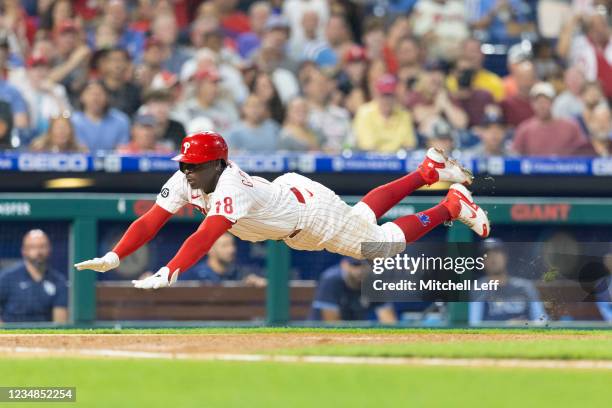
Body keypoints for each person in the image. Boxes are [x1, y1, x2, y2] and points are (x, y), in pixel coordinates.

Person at [75, 131, 490, 290]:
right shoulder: (188, 179)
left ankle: (450, 205)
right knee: (362, 218)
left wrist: (169, 270)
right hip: (291, 202)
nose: (187, 171)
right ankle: (427, 170)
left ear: (218, 163)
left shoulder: (229, 186)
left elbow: (205, 235)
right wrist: (115, 256)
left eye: (194, 165)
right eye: (184, 164)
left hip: (307, 217)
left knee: (377, 245)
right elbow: (151, 219)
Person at [469, 238, 548, 325]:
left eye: (497, 253)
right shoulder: (478, 288)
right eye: (487, 255)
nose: (493, 258)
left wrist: (525, 325)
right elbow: (474, 324)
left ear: (505, 257)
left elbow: (542, 319)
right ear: (482, 262)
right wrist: (506, 326)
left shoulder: (524, 287)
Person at [0, 230, 68, 323]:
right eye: (33, 247)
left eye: (42, 246)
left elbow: (60, 321)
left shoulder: (59, 281)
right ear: (24, 251)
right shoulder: (7, 278)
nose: (38, 251)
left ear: (49, 249)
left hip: (45, 334)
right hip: (12, 333)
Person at [512, 82, 589, 156]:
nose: (542, 106)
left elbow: (584, 151)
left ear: (553, 102)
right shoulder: (525, 129)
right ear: (532, 104)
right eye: (538, 102)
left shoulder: (570, 126)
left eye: (545, 101)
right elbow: (515, 156)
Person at [310, 257, 396, 322]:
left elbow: (389, 321)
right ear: (344, 265)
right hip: (320, 335)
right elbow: (332, 322)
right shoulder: (331, 279)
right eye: (355, 265)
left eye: (365, 265)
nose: (360, 270)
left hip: (356, 334)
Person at [354, 74, 417, 153]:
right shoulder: (364, 113)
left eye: (390, 95)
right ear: (376, 94)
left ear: (395, 96)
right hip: (371, 161)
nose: (387, 100)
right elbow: (367, 146)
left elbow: (409, 145)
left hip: (397, 161)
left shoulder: (404, 115)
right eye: (383, 95)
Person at [180, 233, 266, 287]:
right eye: (224, 246)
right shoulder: (195, 275)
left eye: (232, 245)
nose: (231, 250)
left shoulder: (241, 273)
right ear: (209, 249)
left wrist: (259, 283)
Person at [70, 80, 130, 152]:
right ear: (81, 97)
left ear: (107, 97)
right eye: (91, 94)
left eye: (99, 94)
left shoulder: (121, 121)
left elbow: (123, 150)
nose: (95, 98)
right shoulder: (72, 121)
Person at [97, 47, 141, 117]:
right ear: (104, 63)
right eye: (113, 60)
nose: (117, 65)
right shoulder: (96, 88)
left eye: (122, 60)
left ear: (127, 64)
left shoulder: (135, 91)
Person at [500, 61, 537, 128]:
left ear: (534, 79)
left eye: (529, 77)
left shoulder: (540, 104)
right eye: (522, 77)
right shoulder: (506, 104)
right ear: (515, 79)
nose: (526, 81)